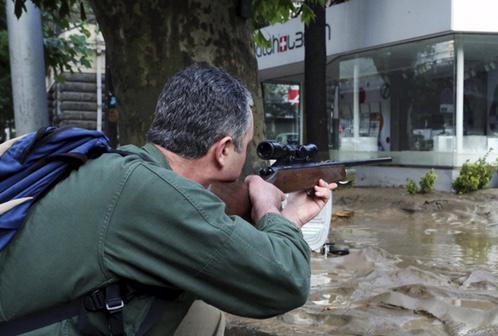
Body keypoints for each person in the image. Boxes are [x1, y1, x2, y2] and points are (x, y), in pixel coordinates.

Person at [0, 63, 336, 335]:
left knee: (202, 314)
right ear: (222, 151)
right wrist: (276, 211)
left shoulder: (123, 167)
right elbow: (286, 281)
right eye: (245, 144)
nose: (246, 153)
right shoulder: (151, 195)